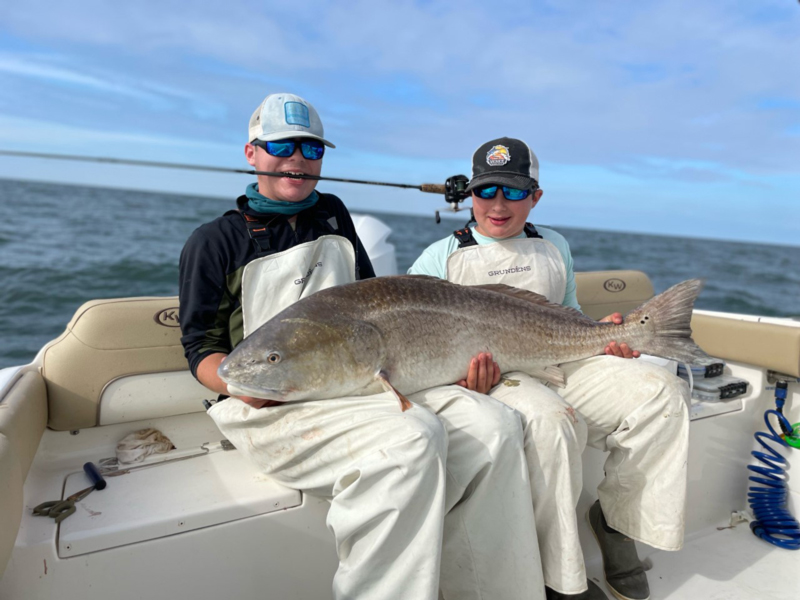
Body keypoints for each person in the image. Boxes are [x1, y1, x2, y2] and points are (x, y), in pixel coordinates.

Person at [179, 97, 545, 600]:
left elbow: (375, 300)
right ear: (252, 153)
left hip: (358, 382)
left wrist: (443, 356)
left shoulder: (333, 214)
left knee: (498, 425)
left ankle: (484, 589)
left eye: (311, 149)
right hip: (266, 402)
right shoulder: (214, 242)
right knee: (413, 437)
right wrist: (242, 386)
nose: (298, 159)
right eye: (281, 146)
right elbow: (199, 346)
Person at [409, 137, 691, 600]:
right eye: (486, 191)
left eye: (515, 192)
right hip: (499, 379)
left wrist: (603, 335)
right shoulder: (439, 258)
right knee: (551, 423)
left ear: (535, 197)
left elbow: (568, 314)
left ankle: (616, 522)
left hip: (560, 356)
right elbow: (420, 347)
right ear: (470, 197)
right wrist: (463, 382)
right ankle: (557, 579)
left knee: (663, 390)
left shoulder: (554, 244)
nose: (499, 205)